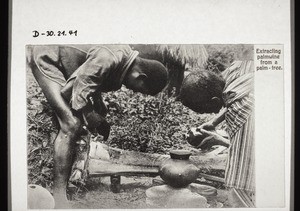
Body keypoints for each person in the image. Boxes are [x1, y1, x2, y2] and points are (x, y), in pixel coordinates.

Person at [27, 44, 168, 208]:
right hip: (49, 57)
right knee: (71, 124)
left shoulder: (122, 58)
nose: (135, 92)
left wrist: (98, 104)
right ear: (140, 77)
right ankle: (59, 197)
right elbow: (68, 92)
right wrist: (90, 114)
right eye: (139, 90)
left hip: (67, 64)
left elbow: (91, 73)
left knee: (86, 115)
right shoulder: (108, 58)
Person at [179, 60, 255, 207]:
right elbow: (234, 95)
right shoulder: (238, 68)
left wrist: (219, 140)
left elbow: (250, 156)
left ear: (214, 101)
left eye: (205, 111)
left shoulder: (240, 112)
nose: (208, 114)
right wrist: (214, 121)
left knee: (236, 191)